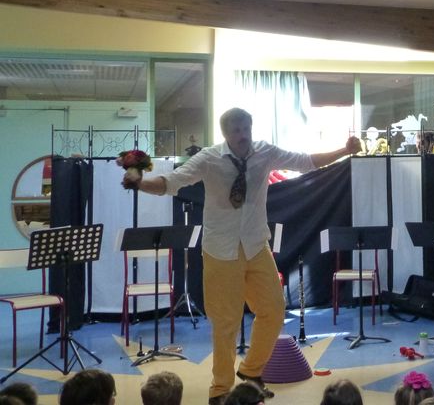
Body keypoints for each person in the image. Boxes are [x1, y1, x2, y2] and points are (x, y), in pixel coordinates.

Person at [125, 107, 361, 404]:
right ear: (225, 133)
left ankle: (250, 372)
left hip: (256, 245)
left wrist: (344, 150)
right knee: (226, 323)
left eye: (246, 128)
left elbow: (305, 161)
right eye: (236, 130)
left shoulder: (264, 152)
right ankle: (220, 390)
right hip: (220, 249)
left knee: (273, 310)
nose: (243, 135)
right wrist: (140, 183)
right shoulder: (209, 158)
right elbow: (171, 182)